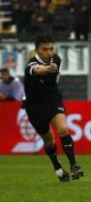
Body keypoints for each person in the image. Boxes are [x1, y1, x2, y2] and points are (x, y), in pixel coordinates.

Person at [23, 35, 84, 182]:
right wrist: (46, 69)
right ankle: (57, 167)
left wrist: (49, 68)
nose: (49, 52)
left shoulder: (56, 59)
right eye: (45, 49)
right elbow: (37, 70)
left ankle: (74, 165)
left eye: (51, 48)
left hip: (52, 100)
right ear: (37, 50)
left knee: (63, 129)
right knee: (49, 140)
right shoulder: (30, 65)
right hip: (35, 106)